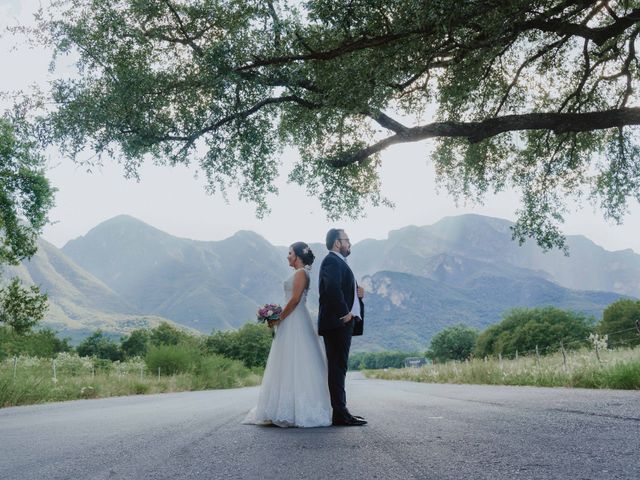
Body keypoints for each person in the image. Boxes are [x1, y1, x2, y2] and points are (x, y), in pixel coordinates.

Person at [243, 242, 332, 427]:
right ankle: (284, 407)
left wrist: (278, 318)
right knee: (287, 362)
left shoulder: (301, 273)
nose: (287, 256)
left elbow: (295, 299)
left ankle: (298, 409)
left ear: (298, 255)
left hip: (295, 319)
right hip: (292, 319)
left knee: (297, 361)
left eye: (290, 253)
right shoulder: (299, 272)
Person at [318, 229, 367, 426]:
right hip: (338, 322)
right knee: (338, 368)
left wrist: (358, 294)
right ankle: (340, 413)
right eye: (347, 240)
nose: (350, 243)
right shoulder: (332, 260)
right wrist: (345, 313)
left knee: (340, 367)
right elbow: (331, 288)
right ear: (337, 243)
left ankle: (341, 411)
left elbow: (341, 288)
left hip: (342, 322)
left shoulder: (340, 262)